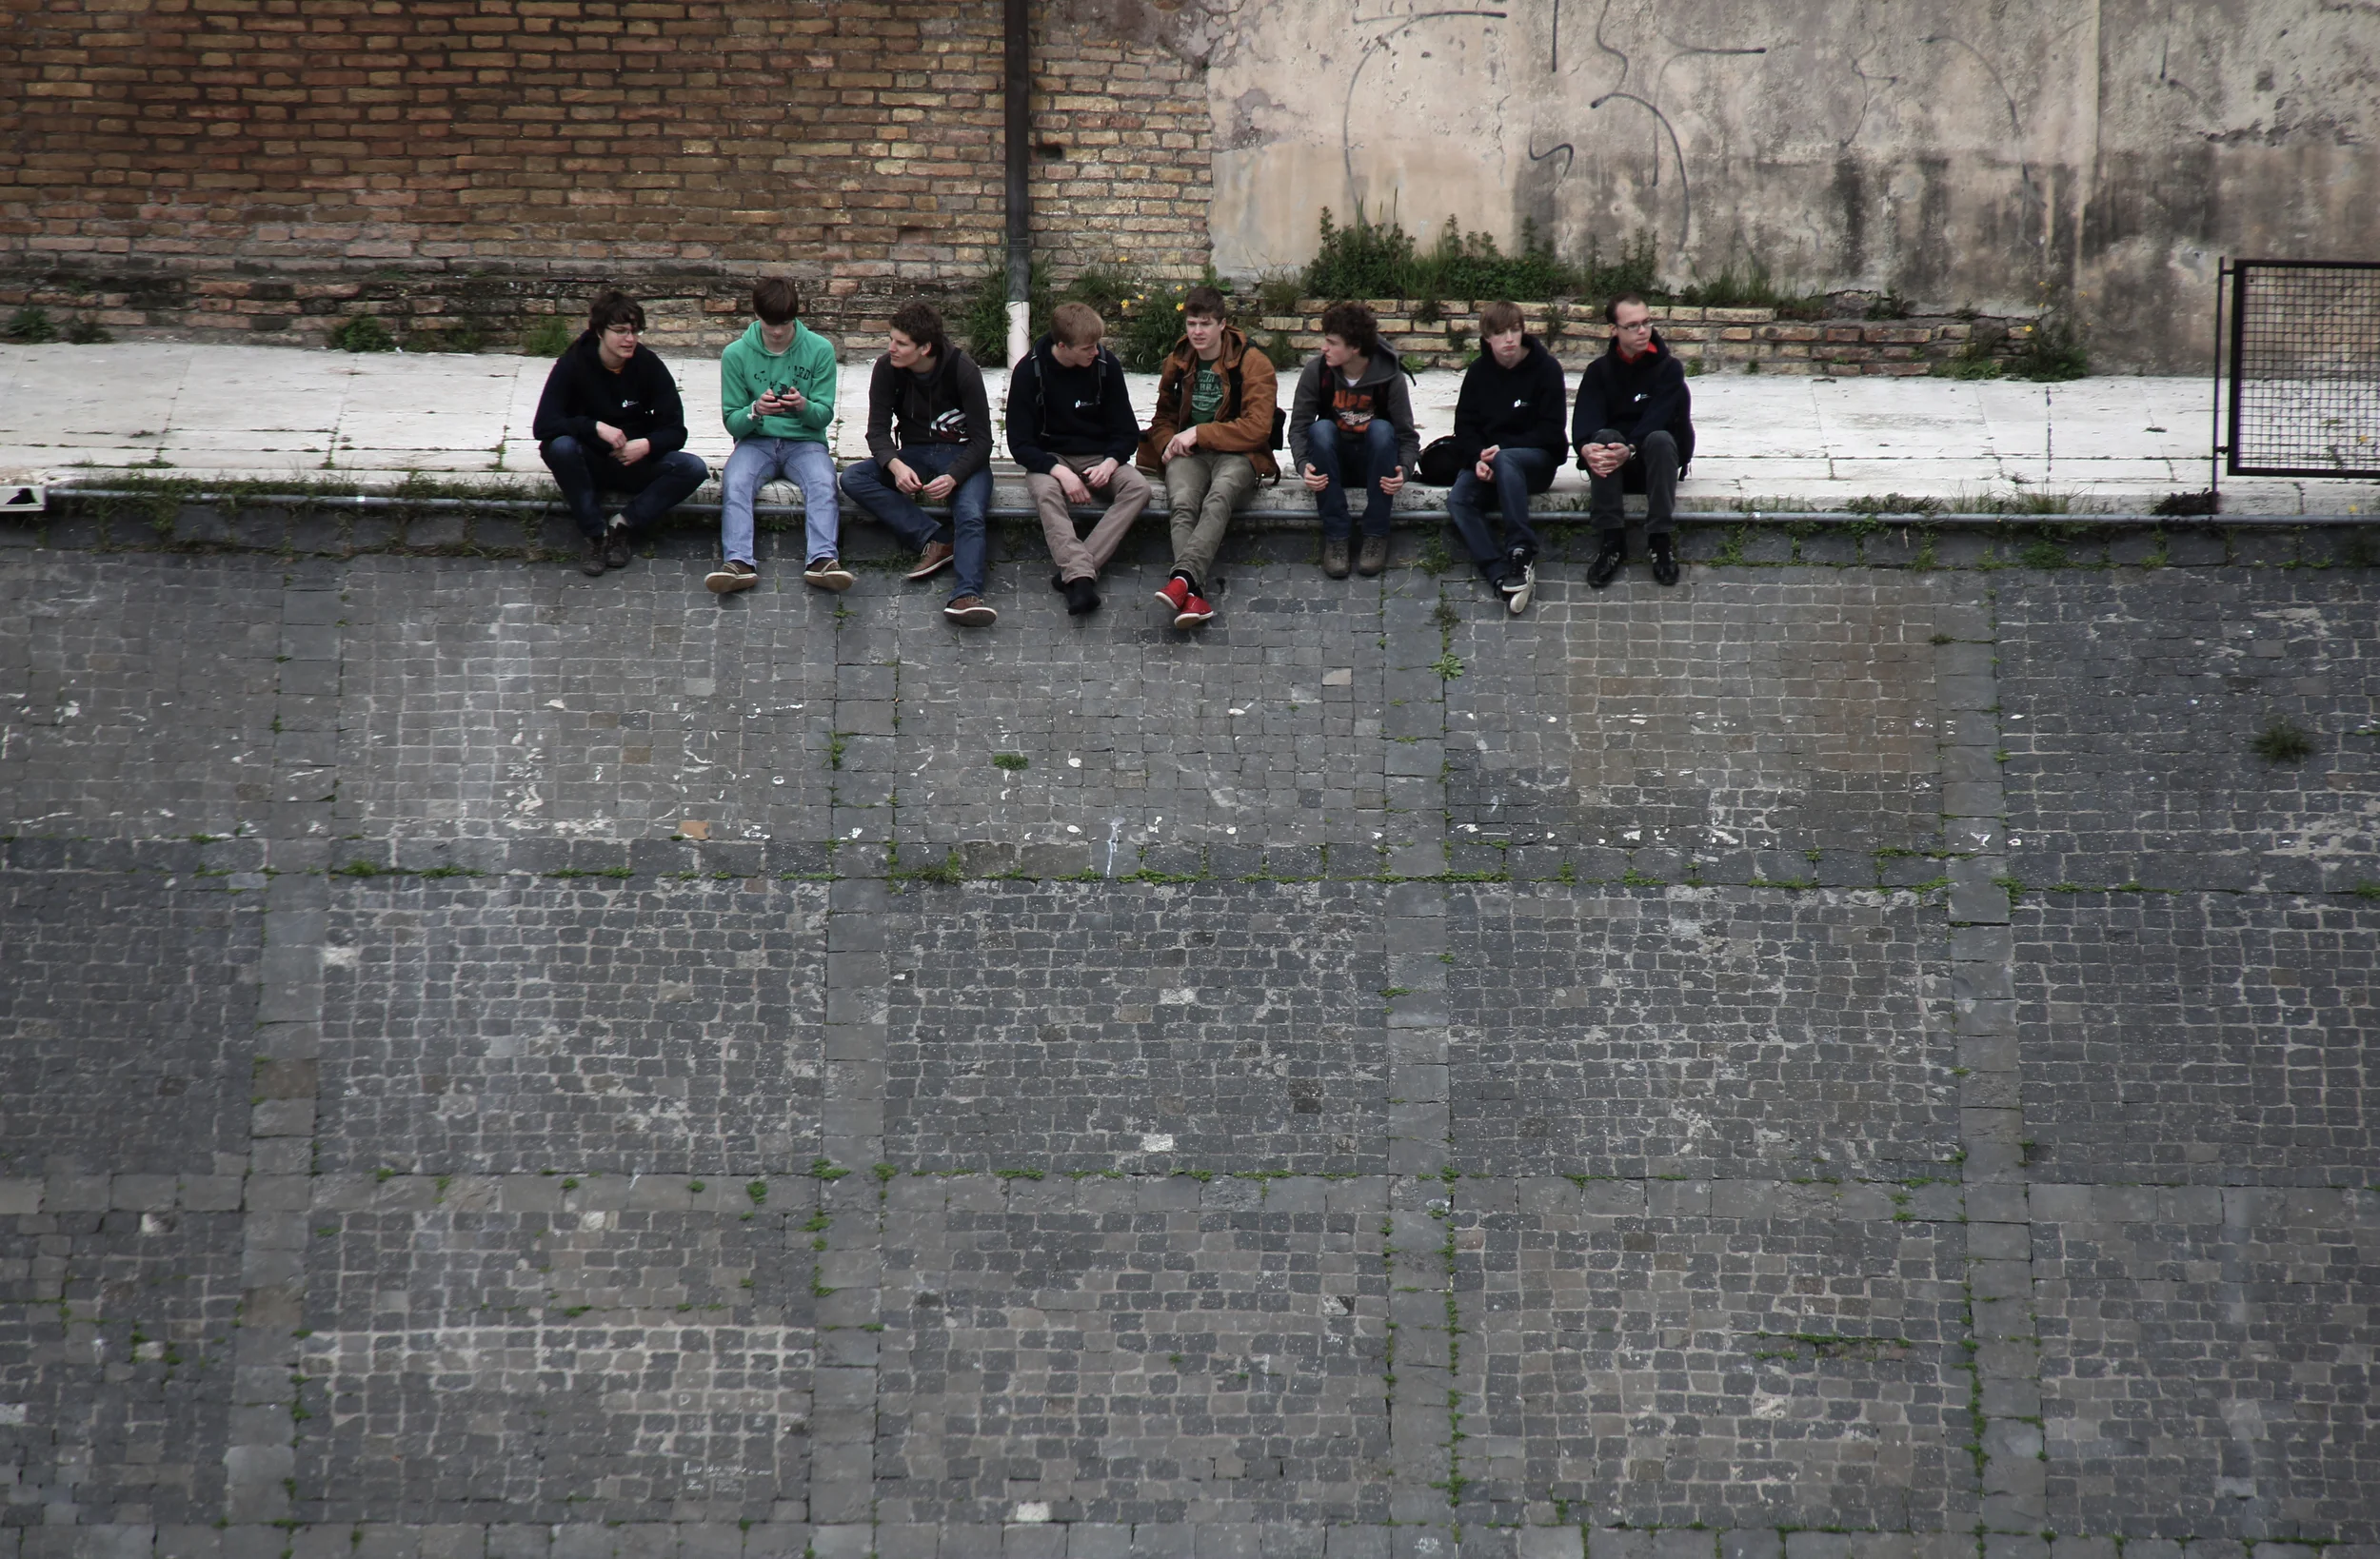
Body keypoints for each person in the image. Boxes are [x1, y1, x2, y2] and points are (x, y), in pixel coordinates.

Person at [839, 300, 999, 626]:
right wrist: (895, 465)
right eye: (891, 340)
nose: (891, 348)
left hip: (963, 456)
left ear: (925, 348)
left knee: (969, 514)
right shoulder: (886, 368)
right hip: (913, 454)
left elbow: (984, 441)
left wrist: (954, 476)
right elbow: (877, 432)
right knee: (853, 479)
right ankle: (935, 539)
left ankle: (966, 595)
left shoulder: (962, 369)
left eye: (901, 343)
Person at [532, 290, 711, 578]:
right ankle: (595, 535)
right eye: (620, 331)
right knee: (560, 447)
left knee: (692, 468)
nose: (629, 339)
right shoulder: (574, 363)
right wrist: (593, 426)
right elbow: (543, 425)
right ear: (600, 332)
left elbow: (676, 429)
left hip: (634, 462)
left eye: (634, 331)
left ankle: (623, 524)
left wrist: (647, 445)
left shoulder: (647, 364)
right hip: (590, 460)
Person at [1136, 285, 1279, 630]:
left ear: (1222, 325)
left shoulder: (1253, 362)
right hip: (1190, 455)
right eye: (1191, 323)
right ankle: (1193, 593)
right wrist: (1170, 441)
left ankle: (1182, 577)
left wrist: (1199, 432)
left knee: (1220, 495)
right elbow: (1163, 418)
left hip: (1239, 453)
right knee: (1182, 501)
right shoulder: (1179, 360)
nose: (1197, 332)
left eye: (1205, 323)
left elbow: (1258, 428)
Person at [1009, 302, 1150, 617]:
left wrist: (1111, 462)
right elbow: (1019, 444)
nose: (1094, 352)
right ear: (1062, 346)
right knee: (1046, 493)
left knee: (1139, 488)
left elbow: (1127, 432)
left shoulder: (1105, 365)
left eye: (1097, 345)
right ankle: (1081, 578)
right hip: (1048, 458)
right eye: (1087, 348)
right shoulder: (1029, 371)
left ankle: (1075, 572)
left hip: (1099, 456)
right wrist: (1060, 472)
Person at [710, 277, 843, 595]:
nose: (778, 331)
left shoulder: (820, 350)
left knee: (825, 482)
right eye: (771, 324)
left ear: (795, 316)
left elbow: (824, 415)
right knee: (736, 480)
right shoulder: (736, 354)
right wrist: (754, 411)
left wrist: (803, 406)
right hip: (756, 442)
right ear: (756, 315)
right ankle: (739, 562)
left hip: (806, 442)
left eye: (785, 323)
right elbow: (732, 421)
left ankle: (823, 560)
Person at [1446, 300, 1568, 614]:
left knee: (1507, 459)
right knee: (1459, 498)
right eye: (1501, 333)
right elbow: (1465, 427)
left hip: (1535, 461)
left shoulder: (1546, 369)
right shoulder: (1478, 372)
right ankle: (1500, 575)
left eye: (1515, 330)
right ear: (1487, 338)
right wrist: (1477, 459)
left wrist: (1504, 452)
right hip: (1491, 462)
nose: (1510, 339)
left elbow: (1553, 431)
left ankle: (1521, 550)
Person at [1288, 301, 1419, 579]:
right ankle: (1336, 537)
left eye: (1332, 342)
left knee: (1382, 430)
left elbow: (1407, 435)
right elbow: (1299, 426)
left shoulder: (1390, 376)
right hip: (1333, 464)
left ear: (1355, 348)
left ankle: (1375, 534)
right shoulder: (1317, 371)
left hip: (1375, 465)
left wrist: (1404, 470)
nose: (1324, 348)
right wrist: (1302, 465)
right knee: (1320, 429)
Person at [1572, 293, 1695, 588]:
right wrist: (1585, 447)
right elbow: (1584, 424)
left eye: (1647, 323)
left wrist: (1630, 448)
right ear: (1614, 330)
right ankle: (1612, 540)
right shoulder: (1599, 372)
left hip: (1655, 463)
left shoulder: (1669, 369)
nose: (1643, 331)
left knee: (1660, 438)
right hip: (1613, 468)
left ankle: (1660, 539)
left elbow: (1659, 417)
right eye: (1633, 325)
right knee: (1602, 438)